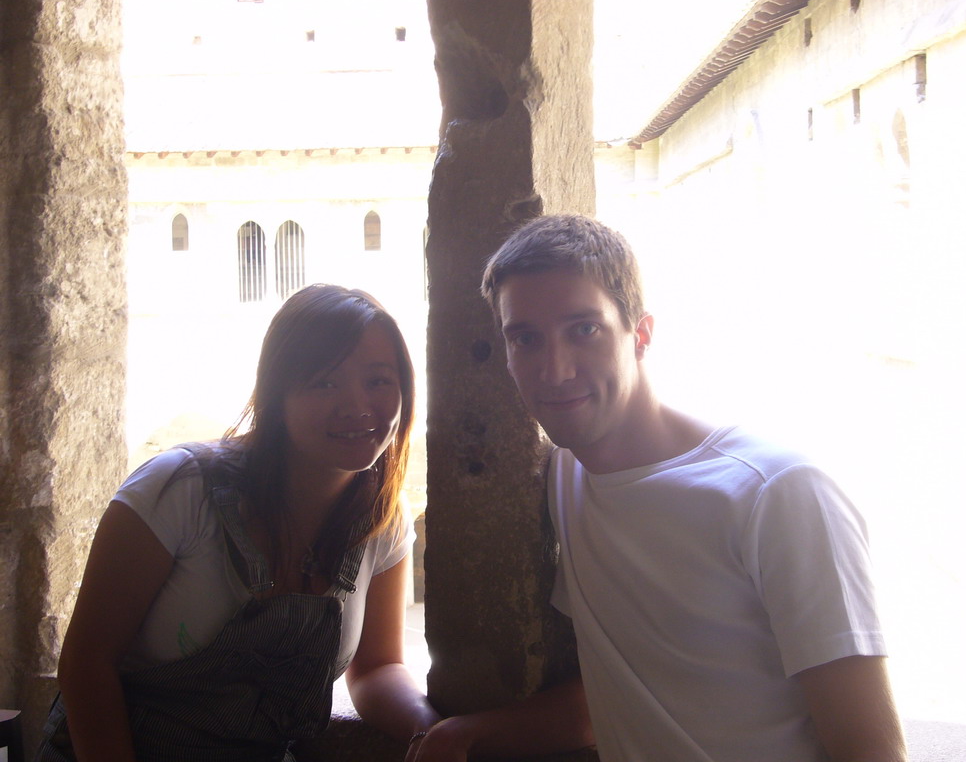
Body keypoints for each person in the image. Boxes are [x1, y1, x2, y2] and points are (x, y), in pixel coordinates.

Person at [472, 214, 907, 762]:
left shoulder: (775, 493)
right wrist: (469, 732)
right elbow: (619, 696)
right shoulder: (565, 478)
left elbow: (870, 749)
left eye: (584, 329)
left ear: (642, 335)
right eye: (525, 338)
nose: (554, 371)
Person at [36, 284, 441, 762]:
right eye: (325, 382)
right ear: (277, 391)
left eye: (378, 380)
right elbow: (87, 664)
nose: (357, 406)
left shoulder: (381, 519)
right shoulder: (178, 490)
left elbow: (376, 668)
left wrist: (432, 730)